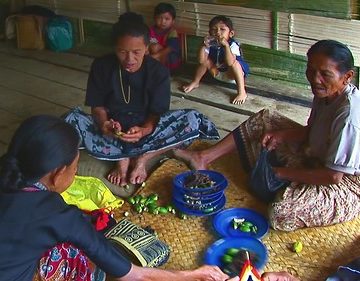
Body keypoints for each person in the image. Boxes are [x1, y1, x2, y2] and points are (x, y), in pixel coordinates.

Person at [0, 115, 238, 281]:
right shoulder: (58, 215)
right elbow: (136, 276)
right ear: (58, 173)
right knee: (75, 254)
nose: (74, 174)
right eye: (74, 169)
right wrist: (193, 275)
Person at [175, 40, 360, 231]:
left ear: (347, 77)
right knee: (265, 119)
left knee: (281, 211)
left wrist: (282, 173)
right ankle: (203, 157)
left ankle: (288, 185)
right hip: (317, 157)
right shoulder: (325, 92)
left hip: (345, 184)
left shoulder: (349, 115)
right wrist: (281, 135)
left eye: (325, 74)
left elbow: (334, 176)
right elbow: (312, 131)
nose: (315, 79)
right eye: (311, 70)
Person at [64, 12, 219, 187]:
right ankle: (123, 158)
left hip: (147, 129)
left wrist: (144, 130)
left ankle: (142, 158)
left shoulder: (158, 71)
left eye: (137, 52)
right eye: (122, 52)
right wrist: (104, 124)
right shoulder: (101, 66)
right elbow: (97, 106)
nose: (130, 59)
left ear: (147, 48)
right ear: (115, 48)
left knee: (193, 119)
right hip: (113, 128)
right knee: (70, 121)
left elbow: (156, 114)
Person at [182, 15, 250, 105]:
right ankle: (195, 82)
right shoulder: (210, 44)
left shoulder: (233, 45)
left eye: (222, 29)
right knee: (206, 60)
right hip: (216, 72)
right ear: (210, 32)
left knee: (235, 64)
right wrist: (203, 45)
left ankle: (242, 92)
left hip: (232, 76)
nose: (218, 33)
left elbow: (230, 62)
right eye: (214, 29)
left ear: (231, 33)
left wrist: (226, 46)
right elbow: (201, 61)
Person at [148, 2, 181, 71]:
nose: (163, 22)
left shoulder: (172, 32)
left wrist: (155, 56)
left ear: (173, 21)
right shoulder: (150, 30)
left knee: (155, 47)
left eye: (167, 19)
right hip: (155, 58)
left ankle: (162, 71)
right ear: (154, 18)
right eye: (159, 18)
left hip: (170, 60)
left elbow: (169, 48)